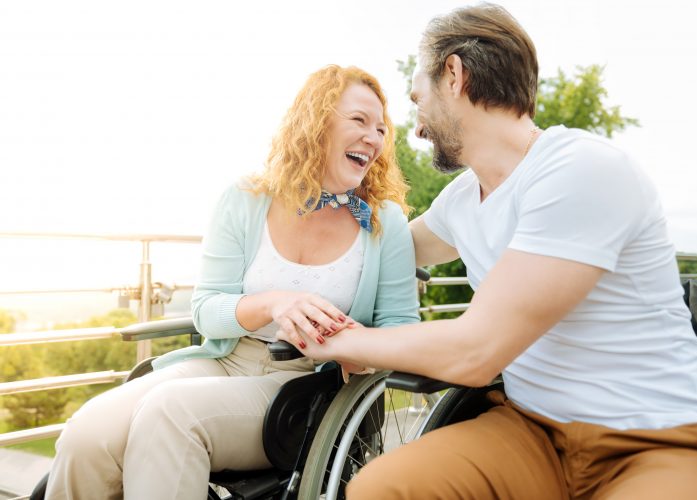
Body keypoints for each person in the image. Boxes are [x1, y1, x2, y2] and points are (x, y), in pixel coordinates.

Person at [279, 4, 697, 499]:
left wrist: (340, 342)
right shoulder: (462, 200)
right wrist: (292, 222)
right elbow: (379, 248)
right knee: (381, 489)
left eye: (416, 96)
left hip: (655, 438)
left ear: (454, 75)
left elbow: (476, 351)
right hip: (531, 430)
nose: (416, 124)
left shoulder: (581, 170)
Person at [45, 65, 419, 500]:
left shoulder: (383, 221)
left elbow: (401, 331)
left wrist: (353, 345)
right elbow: (206, 310)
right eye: (358, 121)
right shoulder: (245, 199)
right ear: (316, 120)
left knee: (170, 415)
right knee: (86, 434)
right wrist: (275, 303)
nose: (374, 139)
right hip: (224, 359)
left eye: (380, 129)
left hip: (306, 385)